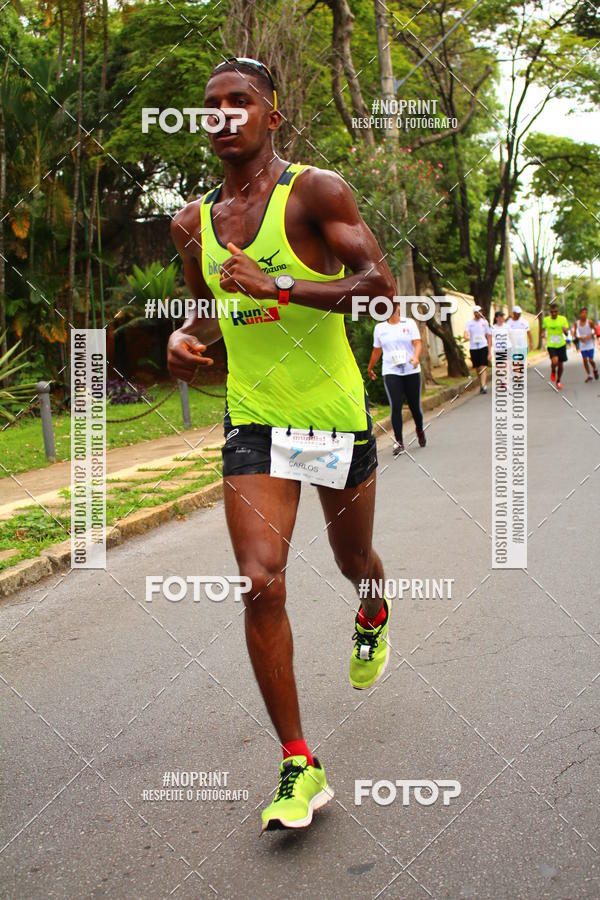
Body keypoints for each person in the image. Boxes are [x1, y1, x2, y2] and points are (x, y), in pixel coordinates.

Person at [167, 58, 397, 833]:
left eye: (241, 102)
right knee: (259, 580)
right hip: (255, 421)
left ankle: (373, 611)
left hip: (332, 415)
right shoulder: (190, 224)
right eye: (212, 105)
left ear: (272, 117)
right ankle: (299, 763)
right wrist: (185, 340)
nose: (224, 114)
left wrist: (287, 288)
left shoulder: (317, 192)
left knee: (353, 561)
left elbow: (379, 286)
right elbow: (210, 317)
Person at [367, 303, 424, 457]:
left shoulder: (409, 323)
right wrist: (370, 367)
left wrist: (416, 357)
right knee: (396, 406)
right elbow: (377, 350)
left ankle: (419, 429)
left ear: (398, 306)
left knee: (414, 406)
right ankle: (399, 441)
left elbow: (417, 343)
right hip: (391, 371)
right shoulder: (380, 328)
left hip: (411, 370)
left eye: (393, 305)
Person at [464, 305, 492, 394]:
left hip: (483, 346)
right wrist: (466, 336)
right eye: (477, 312)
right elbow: (466, 332)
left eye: (480, 311)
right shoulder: (469, 323)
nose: (479, 313)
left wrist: (490, 350)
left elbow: (488, 335)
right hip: (474, 347)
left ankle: (483, 385)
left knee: (483, 366)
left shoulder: (484, 322)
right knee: (477, 367)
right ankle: (481, 384)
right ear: (474, 313)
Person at [542, 302, 570, 389]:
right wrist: (542, 334)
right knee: (554, 361)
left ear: (558, 311)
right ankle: (553, 370)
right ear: (550, 312)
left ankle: (558, 381)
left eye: (556, 311)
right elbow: (543, 330)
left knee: (561, 365)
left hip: (561, 344)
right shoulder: (546, 320)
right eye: (552, 312)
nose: (554, 313)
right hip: (551, 344)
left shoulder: (563, 319)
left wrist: (565, 331)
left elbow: (566, 333)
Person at [573, 307, 598, 382]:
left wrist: (591, 335)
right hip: (582, 344)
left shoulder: (589, 322)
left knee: (590, 360)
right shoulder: (576, 323)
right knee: (584, 360)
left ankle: (595, 369)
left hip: (590, 344)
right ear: (580, 314)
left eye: (586, 313)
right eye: (583, 313)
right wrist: (579, 337)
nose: (584, 314)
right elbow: (574, 334)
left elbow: (595, 330)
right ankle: (589, 375)